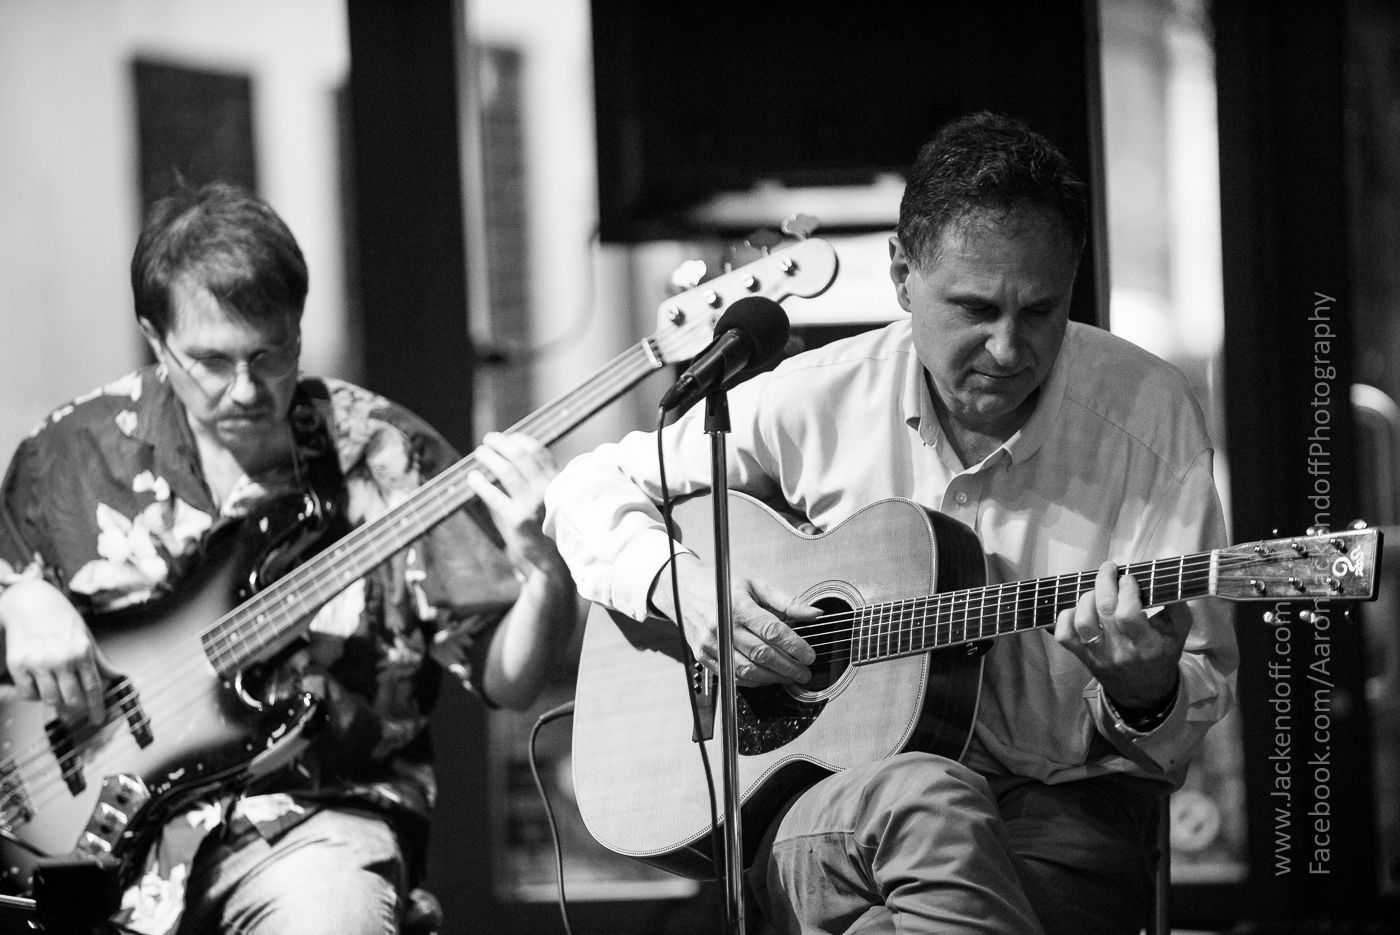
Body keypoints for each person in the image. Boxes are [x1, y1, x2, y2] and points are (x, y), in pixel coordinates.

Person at [544, 111, 1237, 935]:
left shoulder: (1147, 415)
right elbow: (584, 488)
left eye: (1039, 311)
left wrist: (1147, 691)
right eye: (975, 308)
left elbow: (1196, 691)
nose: (1007, 348)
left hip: (1061, 816)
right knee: (926, 795)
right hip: (833, 809)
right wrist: (687, 590)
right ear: (903, 274)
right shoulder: (822, 395)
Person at [0, 181, 580, 934]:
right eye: (211, 361)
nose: (245, 390)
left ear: (297, 333)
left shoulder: (385, 452)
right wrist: (16, 599)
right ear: (155, 337)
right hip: (91, 849)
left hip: (310, 822)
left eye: (268, 356)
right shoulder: (71, 454)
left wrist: (545, 570)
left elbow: (511, 677)